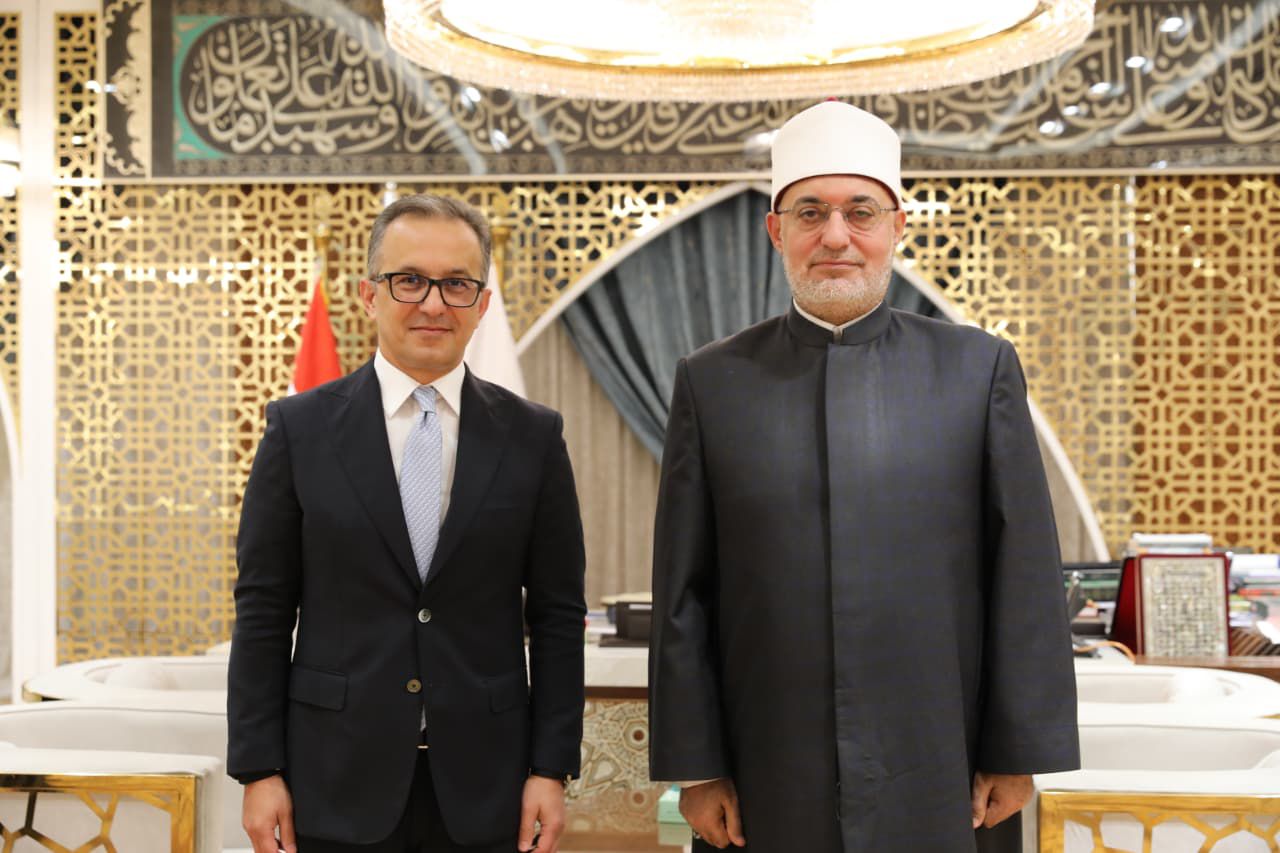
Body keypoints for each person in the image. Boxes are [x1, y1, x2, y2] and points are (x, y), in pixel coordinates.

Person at [648, 101, 1080, 852]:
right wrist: (699, 768)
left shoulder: (977, 368)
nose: (836, 236)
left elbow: (1024, 571)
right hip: (766, 763)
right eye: (810, 213)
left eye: (860, 212)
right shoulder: (712, 380)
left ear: (898, 226)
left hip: (941, 760)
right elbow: (683, 589)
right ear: (776, 230)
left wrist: (1017, 751)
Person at [228, 194, 586, 853]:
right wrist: (258, 769)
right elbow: (263, 608)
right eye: (409, 280)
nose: (433, 303)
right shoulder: (299, 430)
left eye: (457, 284)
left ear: (482, 302)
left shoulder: (533, 437)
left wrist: (550, 767)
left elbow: (559, 615)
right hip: (333, 776)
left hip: (489, 783)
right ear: (369, 294)